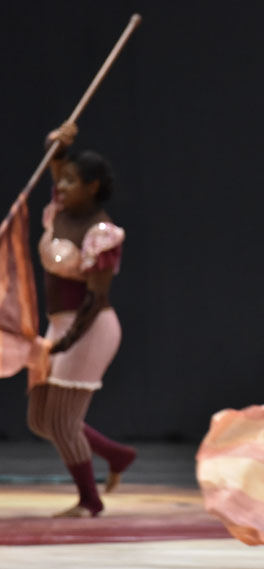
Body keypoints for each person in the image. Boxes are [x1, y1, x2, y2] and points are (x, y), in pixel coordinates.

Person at [26, 122, 136, 518]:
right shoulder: (60, 210)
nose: (63, 186)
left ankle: (90, 501)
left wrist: (64, 342)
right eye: (64, 180)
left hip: (89, 328)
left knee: (62, 420)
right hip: (60, 326)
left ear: (91, 187)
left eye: (73, 181)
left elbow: (96, 298)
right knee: (41, 418)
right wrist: (57, 146)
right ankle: (115, 454)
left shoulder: (100, 232)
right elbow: (55, 166)